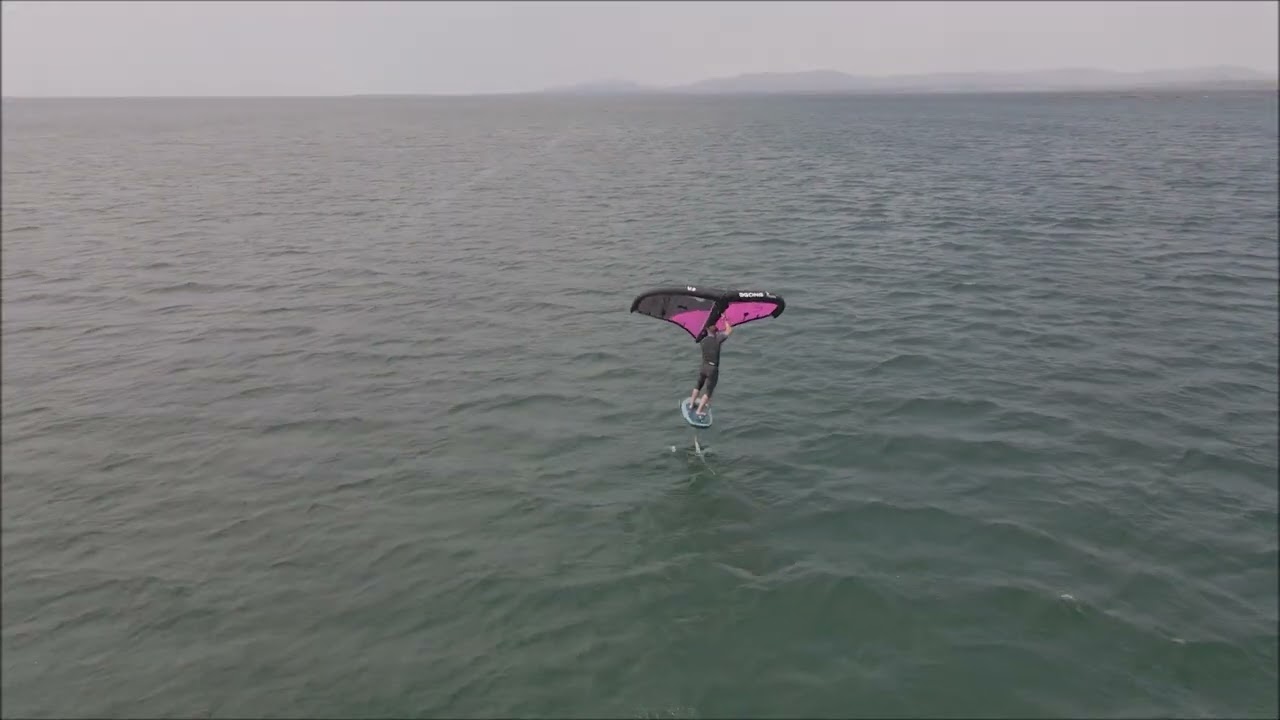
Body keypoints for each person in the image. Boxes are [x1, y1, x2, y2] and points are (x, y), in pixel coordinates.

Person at [689, 316, 732, 416]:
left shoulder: (702, 341)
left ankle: (691, 404)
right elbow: (729, 330)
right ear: (716, 332)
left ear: (707, 330)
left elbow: (701, 332)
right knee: (708, 391)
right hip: (712, 369)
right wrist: (725, 319)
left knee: (698, 385)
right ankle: (699, 411)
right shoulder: (718, 339)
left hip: (703, 366)